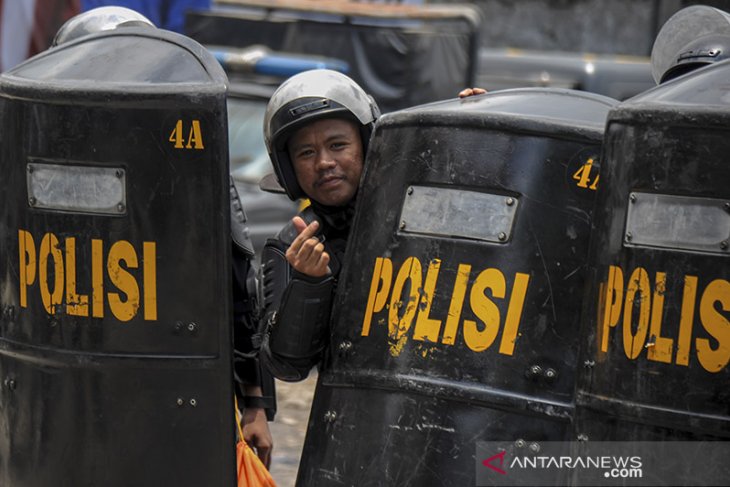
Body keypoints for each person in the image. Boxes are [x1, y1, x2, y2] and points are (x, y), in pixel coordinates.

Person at [52, 6, 276, 468]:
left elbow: (239, 282)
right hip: (61, 392)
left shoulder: (194, 163)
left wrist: (255, 402)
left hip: (172, 386)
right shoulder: (31, 157)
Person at [258, 69, 380, 382]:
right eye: (307, 152)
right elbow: (287, 365)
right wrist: (309, 283)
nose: (324, 162)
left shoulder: (414, 206)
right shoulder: (292, 245)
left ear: (367, 145)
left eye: (337, 145)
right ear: (288, 169)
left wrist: (473, 115)